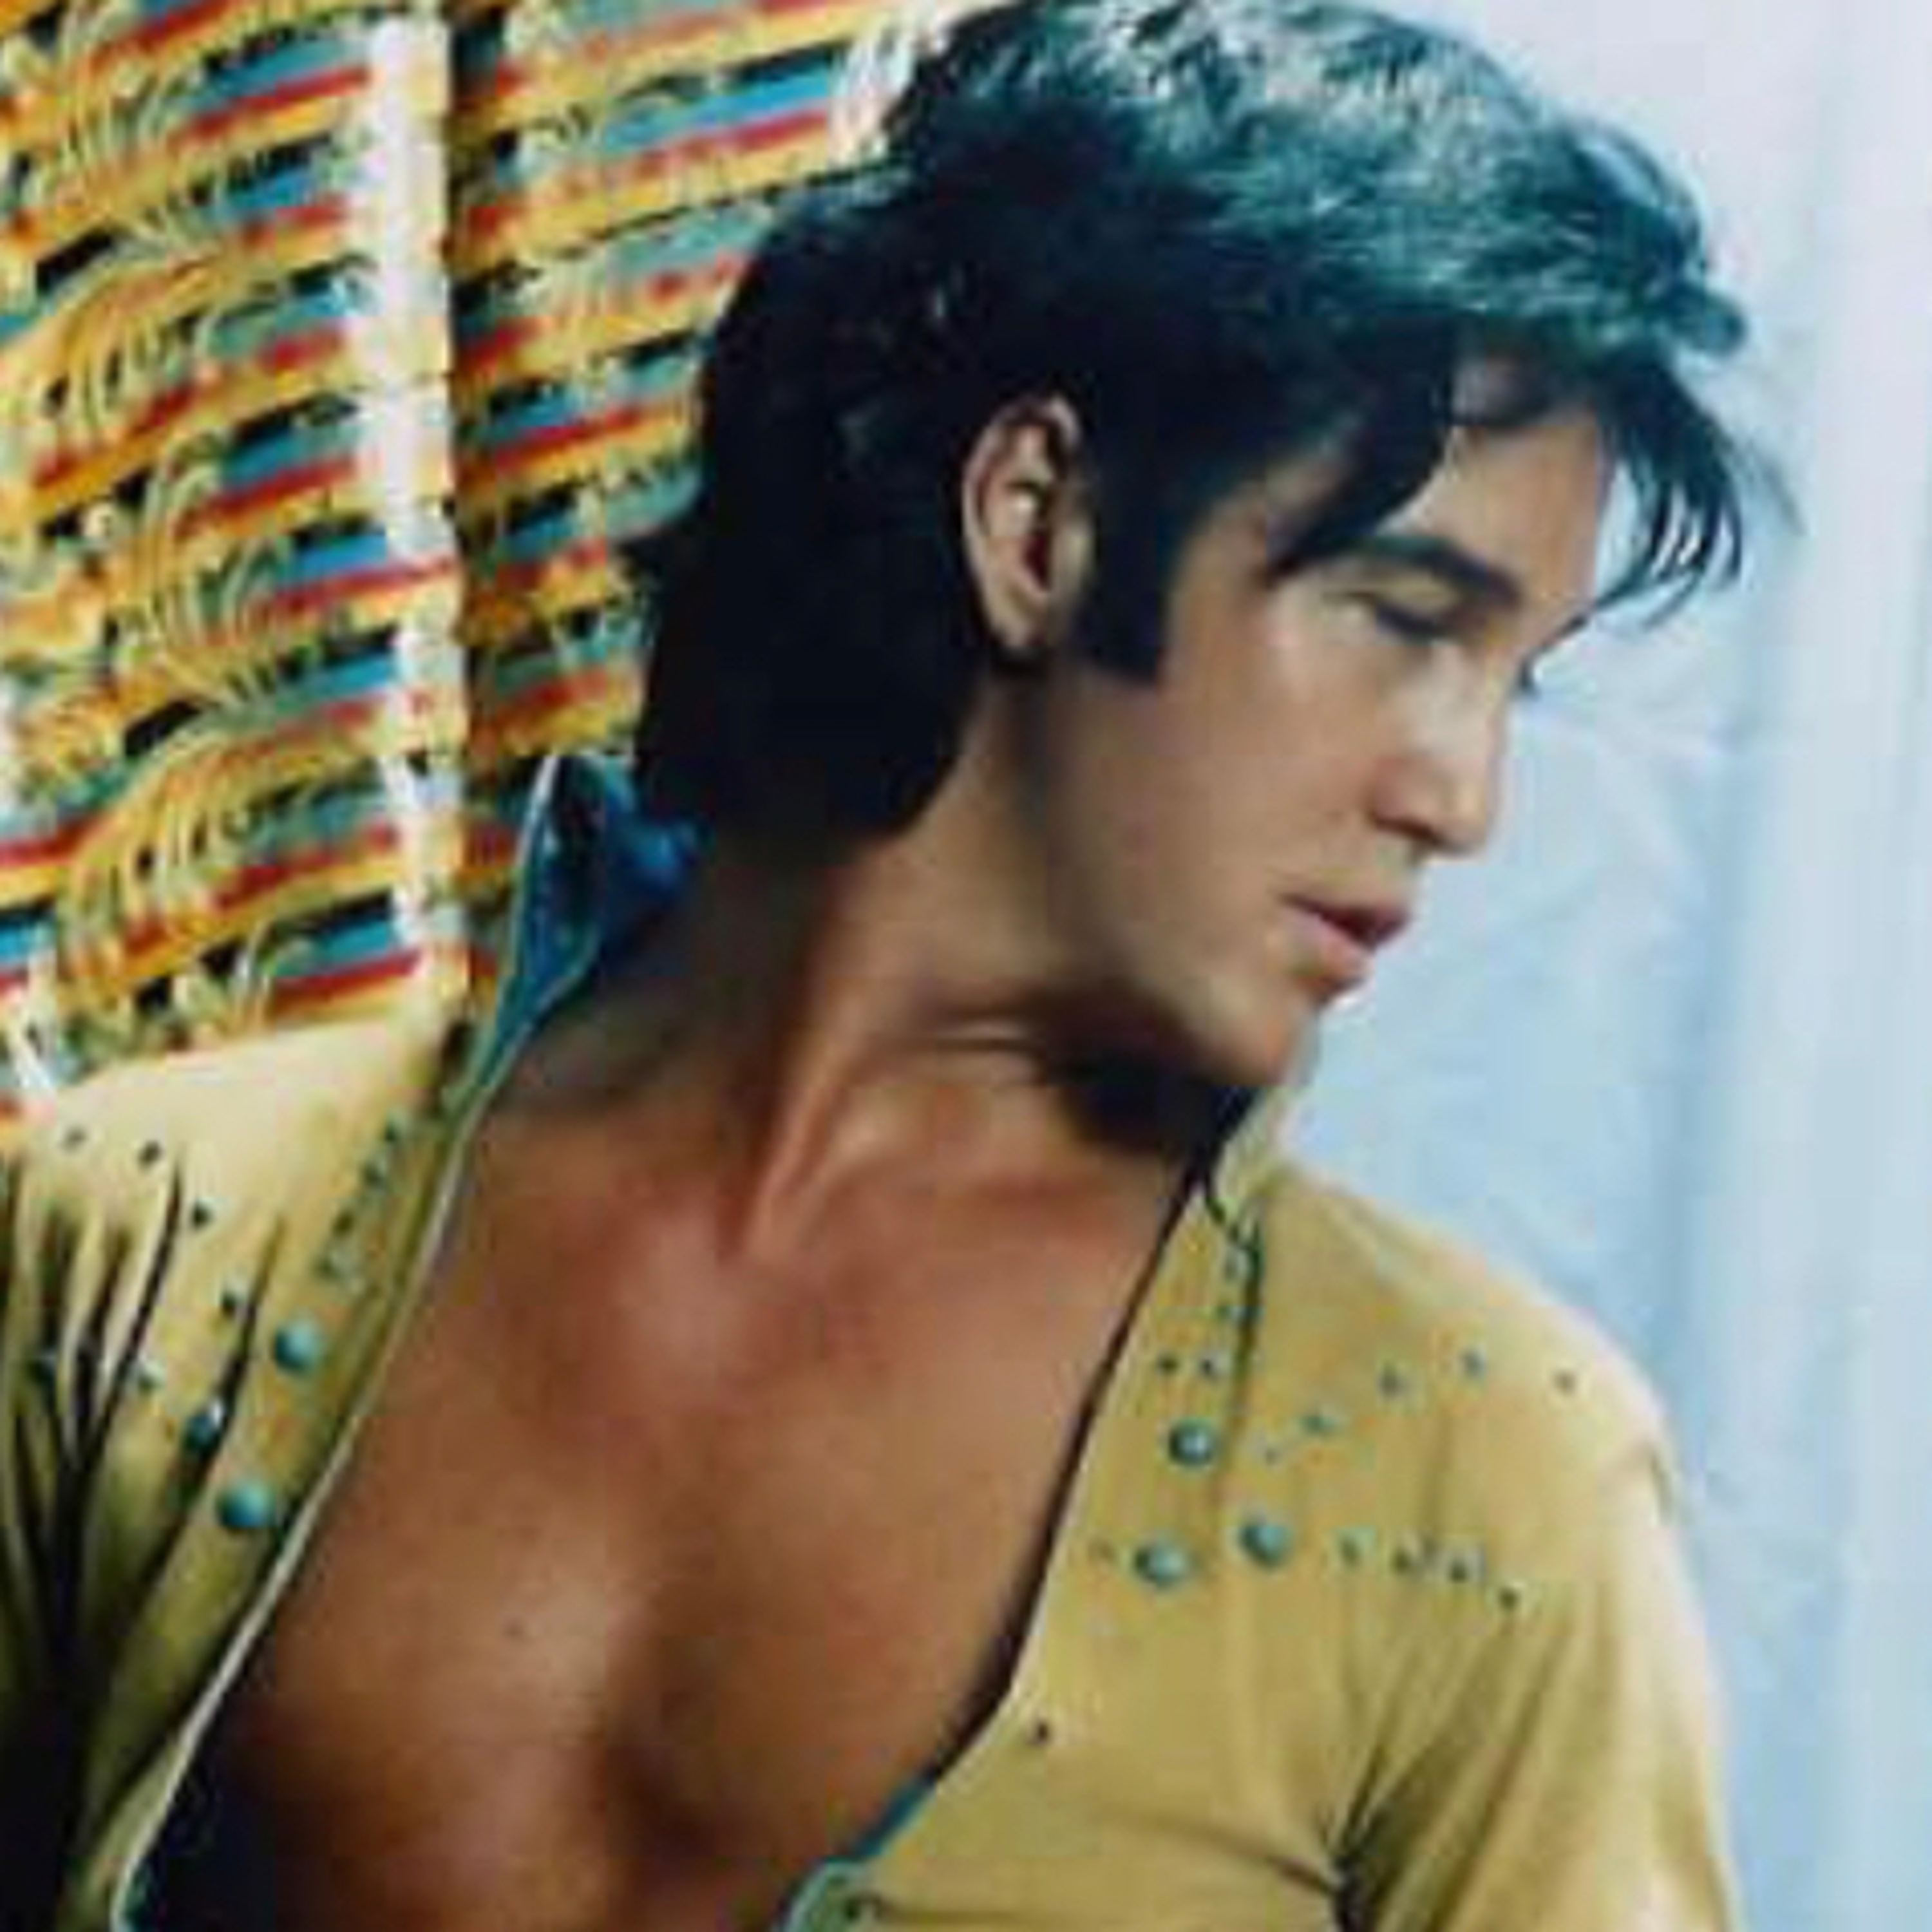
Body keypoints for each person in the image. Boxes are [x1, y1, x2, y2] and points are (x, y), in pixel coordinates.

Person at [0, 2, 1754, 1927]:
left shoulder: (1486, 1491)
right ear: (1039, 522)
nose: (1462, 795)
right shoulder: (147, 1241)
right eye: (1402, 618)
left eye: (1512, 681)